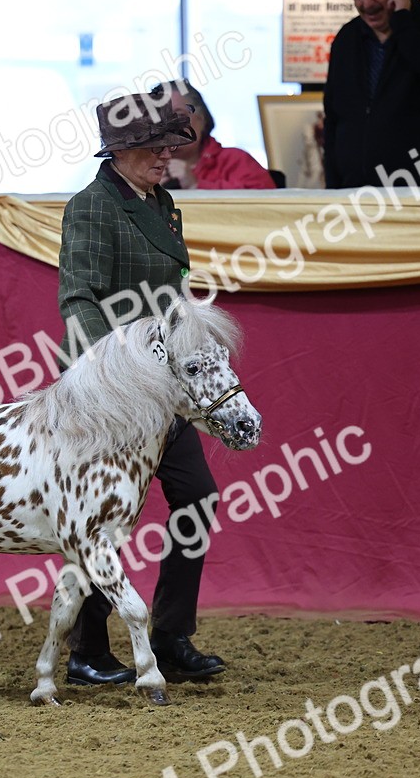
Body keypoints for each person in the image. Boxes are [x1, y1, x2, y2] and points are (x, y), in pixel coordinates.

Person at [56, 92, 226, 687]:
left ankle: (171, 634)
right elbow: (78, 299)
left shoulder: (163, 203)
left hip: (165, 387)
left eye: (169, 146)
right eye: (154, 147)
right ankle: (87, 649)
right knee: (102, 516)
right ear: (119, 151)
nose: (165, 156)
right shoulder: (90, 207)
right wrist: (115, 369)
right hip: (111, 388)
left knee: (197, 497)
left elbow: (173, 296)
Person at [323, 0, 420, 190]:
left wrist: (404, 26)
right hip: (355, 189)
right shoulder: (347, 38)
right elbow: (333, 118)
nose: (366, 3)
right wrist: (333, 186)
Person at [152, 79, 278, 190]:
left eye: (179, 116)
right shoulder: (144, 166)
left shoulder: (234, 160)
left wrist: (196, 185)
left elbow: (270, 202)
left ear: (202, 119)